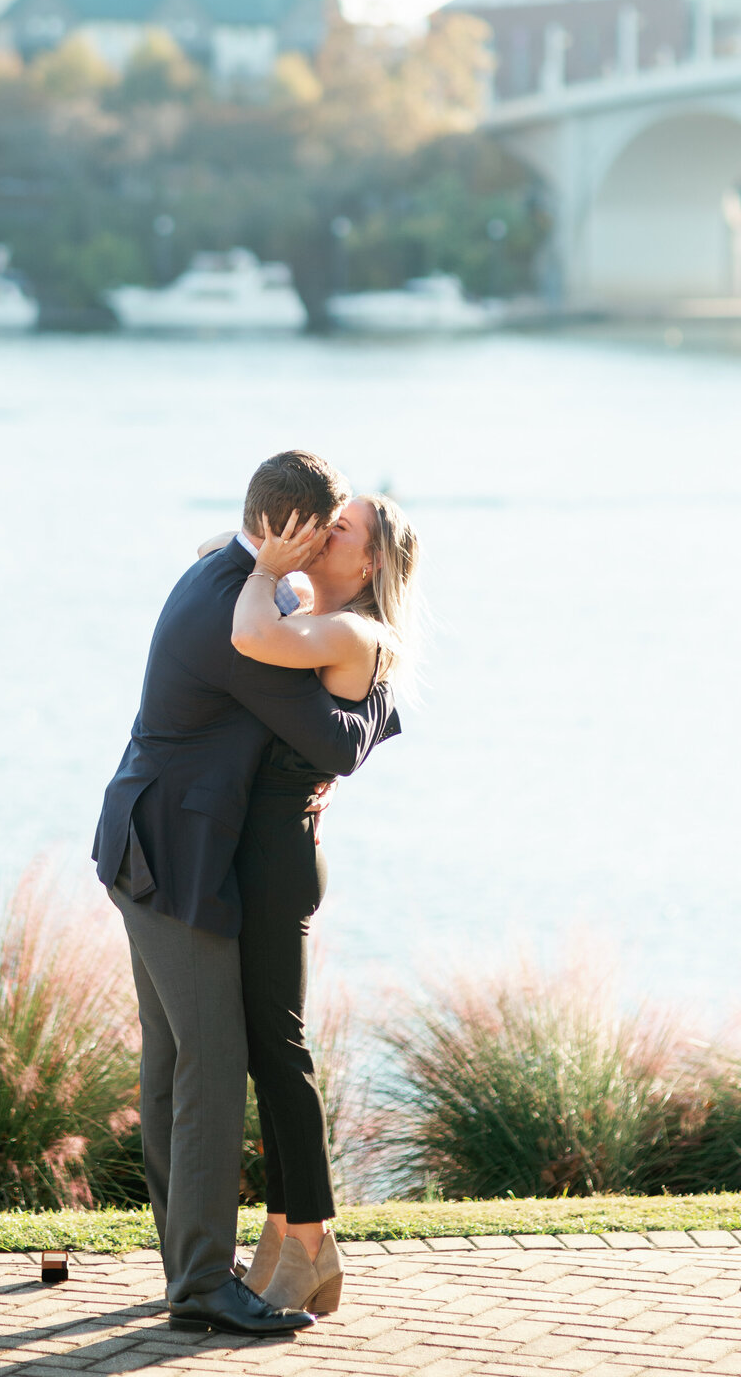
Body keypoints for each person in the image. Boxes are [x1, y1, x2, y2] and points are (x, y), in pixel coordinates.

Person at [92, 450, 398, 1336]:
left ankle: (188, 1264)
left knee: (172, 1065)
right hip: (174, 860)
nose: (329, 542)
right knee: (213, 1066)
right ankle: (199, 1286)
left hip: (148, 846)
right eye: (324, 527)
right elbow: (332, 742)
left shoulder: (221, 575)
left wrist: (270, 571)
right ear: (294, 531)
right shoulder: (242, 620)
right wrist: (384, 702)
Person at [198, 494, 419, 1316]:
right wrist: (274, 545)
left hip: (279, 859)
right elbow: (204, 552)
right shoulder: (305, 605)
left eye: (342, 528)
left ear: (368, 565)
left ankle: (313, 1239)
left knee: (280, 1052)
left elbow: (249, 635)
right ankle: (286, 1230)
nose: (325, 533)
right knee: (264, 1049)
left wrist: (263, 565)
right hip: (265, 855)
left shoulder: (353, 632)